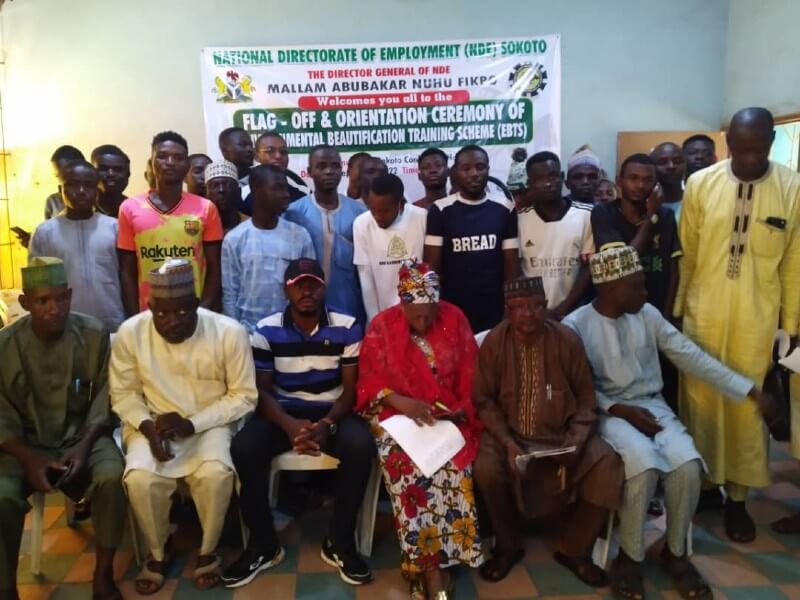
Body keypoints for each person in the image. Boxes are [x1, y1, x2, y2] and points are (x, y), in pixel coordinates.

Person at [563, 246, 773, 599]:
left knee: (688, 466)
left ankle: (676, 555)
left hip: (652, 406)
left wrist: (748, 389)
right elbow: (580, 388)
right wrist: (620, 410)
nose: (645, 294)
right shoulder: (577, 325)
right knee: (642, 465)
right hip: (609, 414)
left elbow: (690, 356)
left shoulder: (647, 314)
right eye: (637, 286)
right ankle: (630, 558)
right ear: (609, 287)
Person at [675, 107, 800, 541]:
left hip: (758, 317)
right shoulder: (701, 184)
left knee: (747, 407)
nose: (748, 158)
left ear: (771, 143)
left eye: (757, 149)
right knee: (702, 402)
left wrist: (789, 323)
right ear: (728, 145)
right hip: (703, 312)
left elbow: (793, 262)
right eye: (740, 149)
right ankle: (708, 486)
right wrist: (679, 307)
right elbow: (688, 252)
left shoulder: (792, 188)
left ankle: (739, 499)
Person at [222, 258, 374, 589]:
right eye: (298, 285)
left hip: (332, 412)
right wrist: (290, 426)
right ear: (286, 290)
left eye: (313, 284)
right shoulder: (265, 330)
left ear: (323, 287)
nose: (307, 291)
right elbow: (260, 392)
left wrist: (328, 424)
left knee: (361, 446)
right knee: (244, 448)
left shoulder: (347, 327)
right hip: (283, 413)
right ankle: (263, 544)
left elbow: (351, 390)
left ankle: (339, 541)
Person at [110, 259, 257, 593]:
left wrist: (193, 423)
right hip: (151, 424)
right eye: (161, 313)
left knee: (215, 475)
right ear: (150, 306)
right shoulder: (130, 333)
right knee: (141, 478)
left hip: (209, 424)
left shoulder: (228, 332)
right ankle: (159, 552)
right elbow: (124, 395)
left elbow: (244, 397)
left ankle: (208, 550)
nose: (171, 322)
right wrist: (147, 428)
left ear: (195, 304)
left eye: (181, 312)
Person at [473, 276, 624, 588]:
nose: (528, 314)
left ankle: (575, 549)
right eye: (519, 308)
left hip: (561, 436)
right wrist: (507, 441)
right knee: (486, 468)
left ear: (545, 307)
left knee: (607, 465)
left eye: (536, 306)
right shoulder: (494, 343)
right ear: (507, 310)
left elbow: (586, 398)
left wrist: (576, 441)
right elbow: (483, 400)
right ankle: (507, 546)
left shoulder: (566, 340)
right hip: (509, 435)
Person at [356, 259, 484, 599]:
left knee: (453, 469)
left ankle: (441, 559)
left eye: (430, 314)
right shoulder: (384, 325)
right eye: (416, 316)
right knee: (406, 469)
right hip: (395, 416)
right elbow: (369, 381)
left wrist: (459, 409)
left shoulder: (454, 318)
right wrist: (403, 403)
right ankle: (426, 567)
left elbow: (472, 373)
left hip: (446, 416)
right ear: (404, 304)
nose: (424, 322)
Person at [0, 257, 125, 600]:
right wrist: (28, 458)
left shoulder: (93, 333)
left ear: (70, 295)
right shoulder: (4, 346)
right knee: (1, 494)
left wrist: (83, 446)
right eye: (42, 300)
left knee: (112, 476)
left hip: (83, 435)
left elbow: (105, 395)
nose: (53, 308)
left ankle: (103, 575)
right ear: (25, 303)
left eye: (60, 298)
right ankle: (6, 585)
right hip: (23, 444)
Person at [117, 131, 223, 316]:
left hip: (193, 311)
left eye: (178, 157)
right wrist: (135, 316)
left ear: (187, 166)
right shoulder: (129, 208)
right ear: (152, 163)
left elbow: (215, 267)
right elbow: (128, 270)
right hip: (148, 312)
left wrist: (203, 311)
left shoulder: (206, 209)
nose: (170, 162)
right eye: (162, 156)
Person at [423, 144, 519, 333]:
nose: (474, 173)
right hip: (452, 309)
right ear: (456, 173)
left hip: (495, 308)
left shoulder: (505, 208)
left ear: (488, 170)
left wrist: (511, 306)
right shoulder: (440, 210)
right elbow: (432, 268)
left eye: (480, 167)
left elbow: (511, 265)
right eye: (466, 168)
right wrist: (434, 309)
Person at [28, 161, 126, 332]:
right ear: (61, 190)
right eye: (73, 184)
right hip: (65, 326)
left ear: (97, 191)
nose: (81, 191)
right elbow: (37, 288)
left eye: (88, 185)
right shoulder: (44, 233)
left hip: (112, 322)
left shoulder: (114, 228)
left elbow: (127, 277)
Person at [222, 164, 315, 331]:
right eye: (277, 189)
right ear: (256, 191)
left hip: (290, 332)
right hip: (249, 333)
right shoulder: (235, 239)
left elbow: (309, 287)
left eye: (286, 189)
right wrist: (237, 334)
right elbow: (230, 293)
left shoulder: (300, 236)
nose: (286, 195)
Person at [284, 145, 367, 322]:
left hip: (349, 303)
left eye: (335, 166)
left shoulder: (359, 212)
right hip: (305, 305)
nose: (329, 171)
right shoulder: (294, 213)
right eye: (321, 166)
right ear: (309, 171)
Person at [591, 154, 681, 318]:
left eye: (648, 180)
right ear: (619, 182)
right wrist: (651, 216)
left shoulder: (666, 216)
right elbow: (623, 263)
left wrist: (667, 315)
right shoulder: (604, 212)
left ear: (656, 185)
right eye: (633, 178)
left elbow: (673, 271)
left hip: (656, 311)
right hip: (618, 312)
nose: (640, 185)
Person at [518, 151, 593, 320]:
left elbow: (589, 269)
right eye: (539, 178)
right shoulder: (519, 221)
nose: (548, 183)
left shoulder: (586, 216)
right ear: (529, 183)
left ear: (562, 177)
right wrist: (535, 308)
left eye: (552, 176)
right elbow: (517, 271)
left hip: (576, 312)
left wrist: (564, 308)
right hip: (533, 313)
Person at [353, 174, 427, 322]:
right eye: (373, 209)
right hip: (382, 316)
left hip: (419, 314)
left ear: (400, 204)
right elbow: (366, 279)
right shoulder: (361, 224)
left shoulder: (422, 218)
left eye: (384, 211)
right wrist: (376, 321)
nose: (377, 216)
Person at [11, 145, 85, 248]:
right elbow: (51, 240)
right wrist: (34, 242)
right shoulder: (53, 202)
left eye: (66, 173)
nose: (61, 180)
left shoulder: (97, 199)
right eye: (58, 176)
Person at [254, 131, 309, 202]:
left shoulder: (303, 194)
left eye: (283, 151)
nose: (278, 156)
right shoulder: (244, 193)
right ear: (256, 156)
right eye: (270, 151)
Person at [204, 160, 246, 234]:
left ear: (239, 191)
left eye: (228, 185)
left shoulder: (251, 225)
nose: (221, 190)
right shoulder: (199, 225)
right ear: (206, 193)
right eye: (215, 185)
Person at [91, 144, 130, 218]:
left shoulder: (135, 210)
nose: (111, 174)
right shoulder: (81, 211)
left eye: (117, 169)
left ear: (127, 175)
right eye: (103, 168)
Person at [650, 142, 686, 221]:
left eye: (677, 161)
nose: (671, 166)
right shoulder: (643, 204)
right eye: (662, 162)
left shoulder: (695, 200)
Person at [219, 126, 255, 194]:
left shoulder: (260, 179)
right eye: (243, 145)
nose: (250, 149)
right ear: (225, 151)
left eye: (251, 145)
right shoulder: (217, 183)